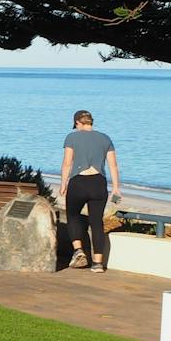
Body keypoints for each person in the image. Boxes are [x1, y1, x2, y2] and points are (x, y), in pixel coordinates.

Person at [59, 110, 119, 273]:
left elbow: (67, 163)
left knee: (72, 215)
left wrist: (63, 183)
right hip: (98, 183)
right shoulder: (105, 138)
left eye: (76, 125)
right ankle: (98, 263)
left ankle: (78, 250)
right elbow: (113, 165)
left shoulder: (72, 137)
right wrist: (116, 188)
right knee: (96, 222)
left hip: (78, 181)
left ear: (78, 123)